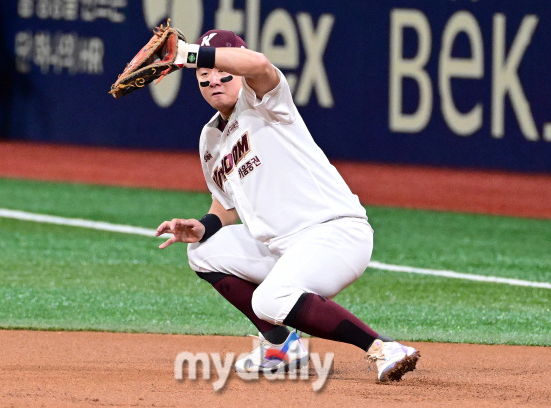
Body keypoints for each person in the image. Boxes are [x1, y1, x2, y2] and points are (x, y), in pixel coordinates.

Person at [155, 29, 420, 382]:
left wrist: (190, 55)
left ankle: (383, 347)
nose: (215, 82)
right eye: (205, 81)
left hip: (335, 234)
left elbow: (260, 64)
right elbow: (225, 200)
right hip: (280, 248)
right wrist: (204, 225)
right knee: (203, 252)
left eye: (223, 74)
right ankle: (281, 346)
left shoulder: (264, 100)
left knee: (270, 300)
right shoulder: (210, 137)